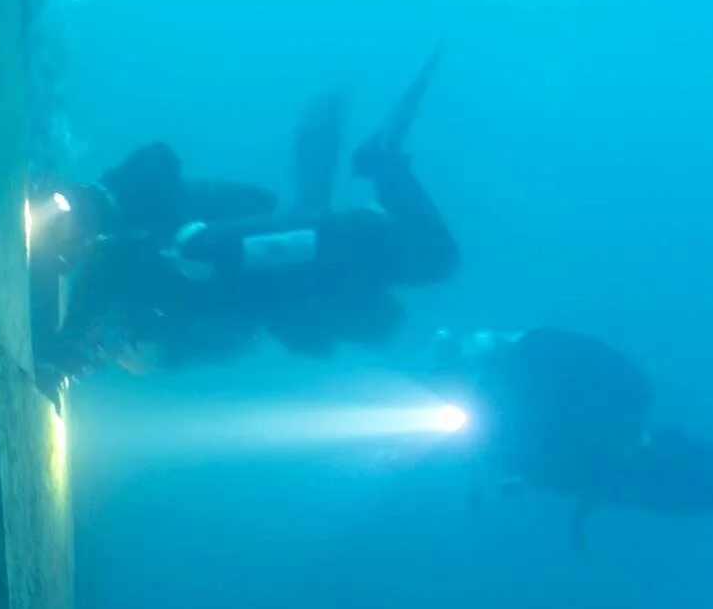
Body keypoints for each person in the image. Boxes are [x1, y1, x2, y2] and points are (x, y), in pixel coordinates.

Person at [34, 47, 459, 381]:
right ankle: (93, 209)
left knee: (171, 240)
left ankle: (95, 219)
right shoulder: (331, 257)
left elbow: (280, 263)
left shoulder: (314, 296)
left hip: (218, 267)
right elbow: (296, 239)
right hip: (220, 253)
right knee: (424, 259)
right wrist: (213, 247)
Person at [432, 326, 713, 544]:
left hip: (648, 464)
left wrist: (615, 440)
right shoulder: (505, 410)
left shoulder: (523, 380)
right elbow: (547, 463)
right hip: (634, 478)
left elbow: (576, 433)